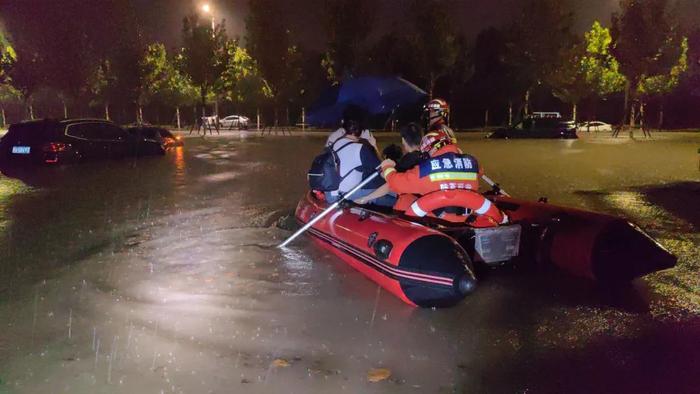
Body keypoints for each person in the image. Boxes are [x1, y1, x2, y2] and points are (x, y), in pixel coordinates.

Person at [380, 128, 492, 216]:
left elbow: (398, 184)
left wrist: (387, 167)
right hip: (468, 217)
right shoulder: (473, 163)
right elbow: (479, 172)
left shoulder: (427, 168)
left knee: (405, 199)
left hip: (438, 221)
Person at [325, 120, 395, 207]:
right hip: (345, 194)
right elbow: (383, 171)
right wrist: (374, 145)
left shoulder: (335, 144)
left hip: (331, 192)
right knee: (393, 193)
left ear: (345, 130)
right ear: (361, 133)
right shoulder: (360, 149)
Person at [355, 122, 423, 205]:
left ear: (403, 140)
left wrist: (366, 198)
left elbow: (391, 183)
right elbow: (385, 166)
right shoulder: (423, 155)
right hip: (420, 200)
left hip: (409, 202)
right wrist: (375, 146)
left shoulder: (408, 160)